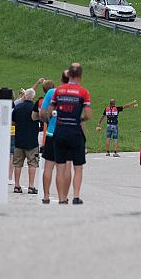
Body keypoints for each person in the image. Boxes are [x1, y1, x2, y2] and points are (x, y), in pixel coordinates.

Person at [51, 63, 91, 205]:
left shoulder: (59, 90)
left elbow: (50, 110)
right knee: (78, 166)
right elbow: (88, 114)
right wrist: (80, 118)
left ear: (69, 75)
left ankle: (62, 198)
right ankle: (75, 196)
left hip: (60, 129)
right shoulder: (83, 92)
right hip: (75, 130)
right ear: (80, 75)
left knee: (60, 166)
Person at [39, 71, 69, 204]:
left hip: (52, 133)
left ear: (60, 80)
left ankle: (46, 196)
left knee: (48, 166)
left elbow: (42, 113)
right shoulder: (76, 93)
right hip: (67, 133)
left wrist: (48, 120)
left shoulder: (52, 92)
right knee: (64, 167)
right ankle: (63, 197)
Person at [12, 88, 40, 194]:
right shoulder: (34, 108)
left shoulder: (18, 107)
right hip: (32, 140)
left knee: (18, 164)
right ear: (33, 97)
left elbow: (13, 122)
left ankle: (17, 185)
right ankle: (31, 186)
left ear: (25, 96)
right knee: (32, 163)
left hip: (19, 139)